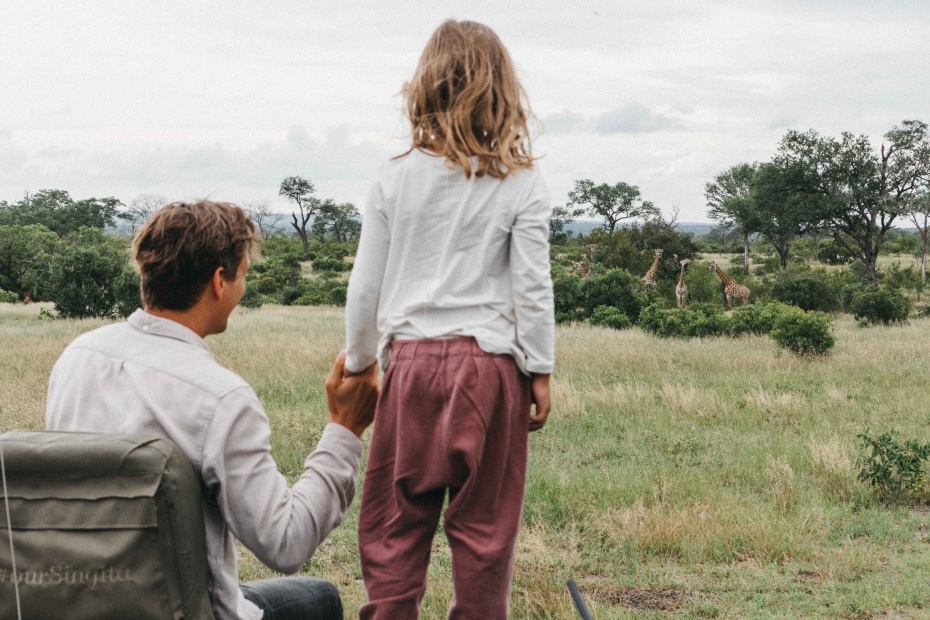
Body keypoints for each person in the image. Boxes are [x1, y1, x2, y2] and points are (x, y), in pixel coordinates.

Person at [46, 200, 379, 620]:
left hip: (90, 604)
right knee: (322, 596)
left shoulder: (76, 357)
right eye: (243, 274)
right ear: (219, 281)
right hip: (190, 611)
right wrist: (344, 429)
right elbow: (286, 543)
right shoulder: (220, 397)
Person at [344, 20, 554, 619]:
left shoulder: (392, 176)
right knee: (485, 537)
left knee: (392, 529)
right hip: (489, 368)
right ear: (500, 90)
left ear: (425, 88)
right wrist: (538, 368)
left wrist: (361, 365)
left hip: (408, 364)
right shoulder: (522, 181)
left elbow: (366, 286)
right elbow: (532, 286)